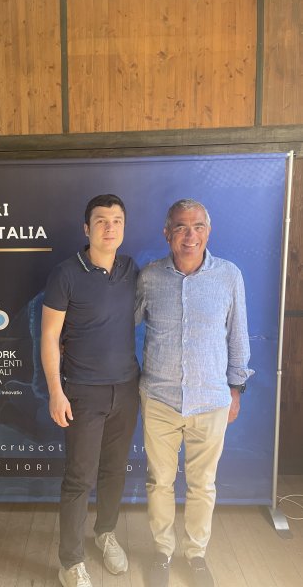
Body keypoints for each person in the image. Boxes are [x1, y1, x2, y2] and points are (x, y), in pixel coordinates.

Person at [136, 199, 254, 587]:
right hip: (160, 399)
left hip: (211, 401)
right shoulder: (149, 277)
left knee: (203, 485)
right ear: (166, 233)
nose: (190, 235)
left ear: (208, 231)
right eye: (181, 227)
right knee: (159, 482)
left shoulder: (229, 276)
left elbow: (238, 335)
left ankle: (196, 554)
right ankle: (162, 552)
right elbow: (120, 325)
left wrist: (236, 388)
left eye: (198, 226)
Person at [41, 194, 139, 587]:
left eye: (117, 220)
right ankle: (70, 562)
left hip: (127, 389)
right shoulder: (65, 274)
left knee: (114, 470)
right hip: (82, 392)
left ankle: (105, 533)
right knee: (79, 477)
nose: (109, 227)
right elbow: (50, 336)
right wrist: (55, 391)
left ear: (124, 227)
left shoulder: (132, 270)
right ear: (87, 228)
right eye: (101, 220)